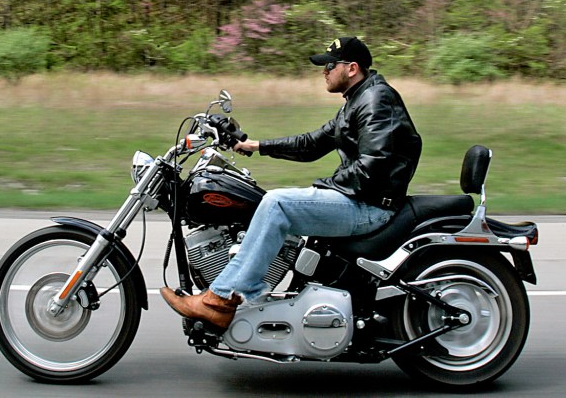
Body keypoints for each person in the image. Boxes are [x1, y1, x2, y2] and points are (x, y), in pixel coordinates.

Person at [160, 36, 422, 330]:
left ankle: (219, 301)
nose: (324, 71)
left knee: (277, 204)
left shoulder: (376, 100)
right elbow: (311, 144)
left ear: (352, 68)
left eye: (329, 65)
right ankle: (251, 293)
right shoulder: (358, 99)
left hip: (370, 207)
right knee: (274, 201)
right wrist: (256, 146)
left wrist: (326, 185)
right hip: (361, 199)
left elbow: (374, 165)